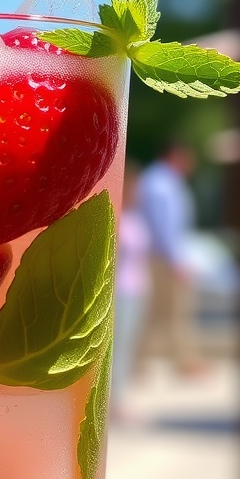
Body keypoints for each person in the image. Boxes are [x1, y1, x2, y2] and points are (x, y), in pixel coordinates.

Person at [136, 142, 204, 374]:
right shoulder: (160, 184)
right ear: (176, 156)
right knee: (175, 310)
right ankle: (185, 362)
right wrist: (175, 260)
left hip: (162, 256)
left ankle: (139, 362)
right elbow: (163, 226)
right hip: (164, 257)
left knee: (157, 311)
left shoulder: (160, 182)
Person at [111, 162, 151, 419]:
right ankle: (114, 402)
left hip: (137, 289)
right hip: (121, 290)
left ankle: (119, 397)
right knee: (118, 348)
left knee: (128, 346)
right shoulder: (117, 216)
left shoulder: (135, 217)